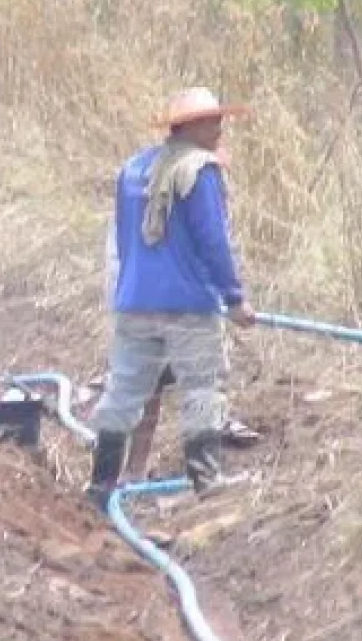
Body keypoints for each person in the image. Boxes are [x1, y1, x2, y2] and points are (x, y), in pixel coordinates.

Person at [85, 87, 257, 509]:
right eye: (213, 122)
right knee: (202, 386)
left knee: (124, 391)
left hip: (134, 302)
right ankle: (205, 479)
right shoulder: (200, 170)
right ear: (192, 127)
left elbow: (125, 240)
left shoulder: (131, 169)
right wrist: (233, 298)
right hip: (188, 304)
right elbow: (212, 241)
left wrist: (127, 293)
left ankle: (101, 484)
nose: (220, 129)